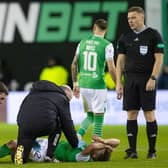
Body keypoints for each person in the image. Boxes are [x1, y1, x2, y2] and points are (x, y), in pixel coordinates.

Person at [116, 6, 164, 159]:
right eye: (129, 18)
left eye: (133, 18)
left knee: (149, 113)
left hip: (146, 79)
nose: (130, 21)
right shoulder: (125, 37)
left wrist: (153, 78)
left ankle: (152, 151)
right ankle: (132, 151)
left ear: (142, 17)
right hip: (130, 80)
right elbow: (120, 62)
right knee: (131, 113)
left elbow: (159, 59)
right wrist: (118, 82)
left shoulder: (153, 35)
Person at [14, 80, 79, 164]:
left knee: (24, 143)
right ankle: (50, 155)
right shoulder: (61, 98)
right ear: (65, 94)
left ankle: (19, 156)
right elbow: (67, 123)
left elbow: (23, 110)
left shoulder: (32, 93)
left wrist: (21, 124)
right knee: (59, 124)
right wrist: (75, 143)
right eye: (68, 100)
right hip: (43, 125)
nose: (67, 102)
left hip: (24, 125)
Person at [71, 19, 116, 139]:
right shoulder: (107, 45)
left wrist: (75, 83)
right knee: (100, 115)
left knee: (90, 116)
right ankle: (96, 144)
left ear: (94, 28)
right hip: (98, 85)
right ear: (106, 30)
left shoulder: (82, 43)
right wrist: (118, 84)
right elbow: (111, 69)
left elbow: (74, 64)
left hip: (84, 84)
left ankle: (77, 137)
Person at [0, 136, 120, 162]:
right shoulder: (85, 148)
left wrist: (104, 146)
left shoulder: (83, 157)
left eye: (100, 148)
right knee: (14, 145)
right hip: (47, 144)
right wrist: (105, 142)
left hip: (44, 153)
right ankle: (18, 157)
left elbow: (93, 146)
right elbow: (117, 142)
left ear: (94, 155)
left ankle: (19, 158)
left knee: (14, 144)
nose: (96, 144)